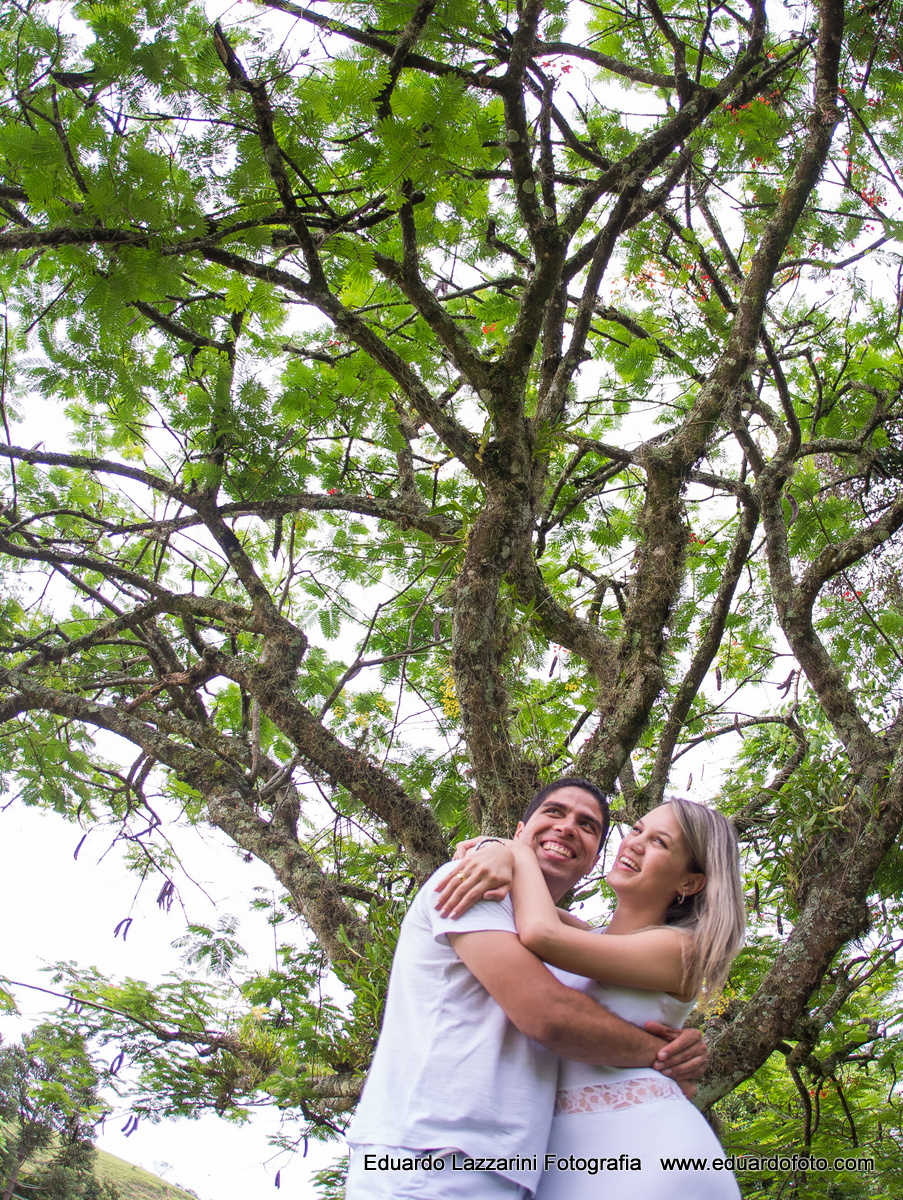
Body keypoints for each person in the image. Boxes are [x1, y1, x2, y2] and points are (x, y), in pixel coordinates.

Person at [344, 779, 709, 1199]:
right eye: (553, 812)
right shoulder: (474, 884)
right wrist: (661, 1054)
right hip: (429, 1153)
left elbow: (558, 941)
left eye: (588, 826)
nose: (568, 827)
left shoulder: (580, 939)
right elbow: (550, 1016)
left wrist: (686, 1044)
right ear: (520, 831)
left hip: (517, 1169)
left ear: (592, 861)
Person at [436, 797, 746, 1199]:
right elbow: (523, 906)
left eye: (659, 843)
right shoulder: (587, 938)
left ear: (689, 882)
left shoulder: (682, 949)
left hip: (650, 1152)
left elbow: (539, 933)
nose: (633, 843)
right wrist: (491, 847)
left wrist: (515, 851)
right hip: (566, 1162)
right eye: (636, 830)